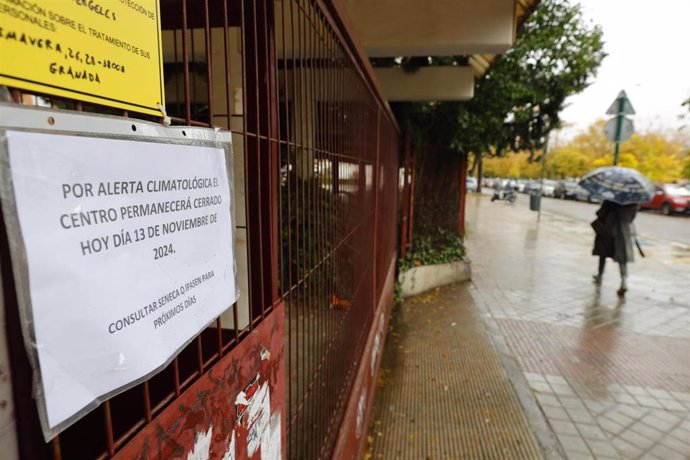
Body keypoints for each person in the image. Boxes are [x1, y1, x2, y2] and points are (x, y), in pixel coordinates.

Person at [591, 200, 638, 296]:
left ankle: (600, 275)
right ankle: (623, 281)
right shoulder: (633, 203)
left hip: (608, 230)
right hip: (623, 232)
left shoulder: (610, 199)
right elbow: (631, 219)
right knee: (622, 258)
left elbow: (601, 214)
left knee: (602, 253)